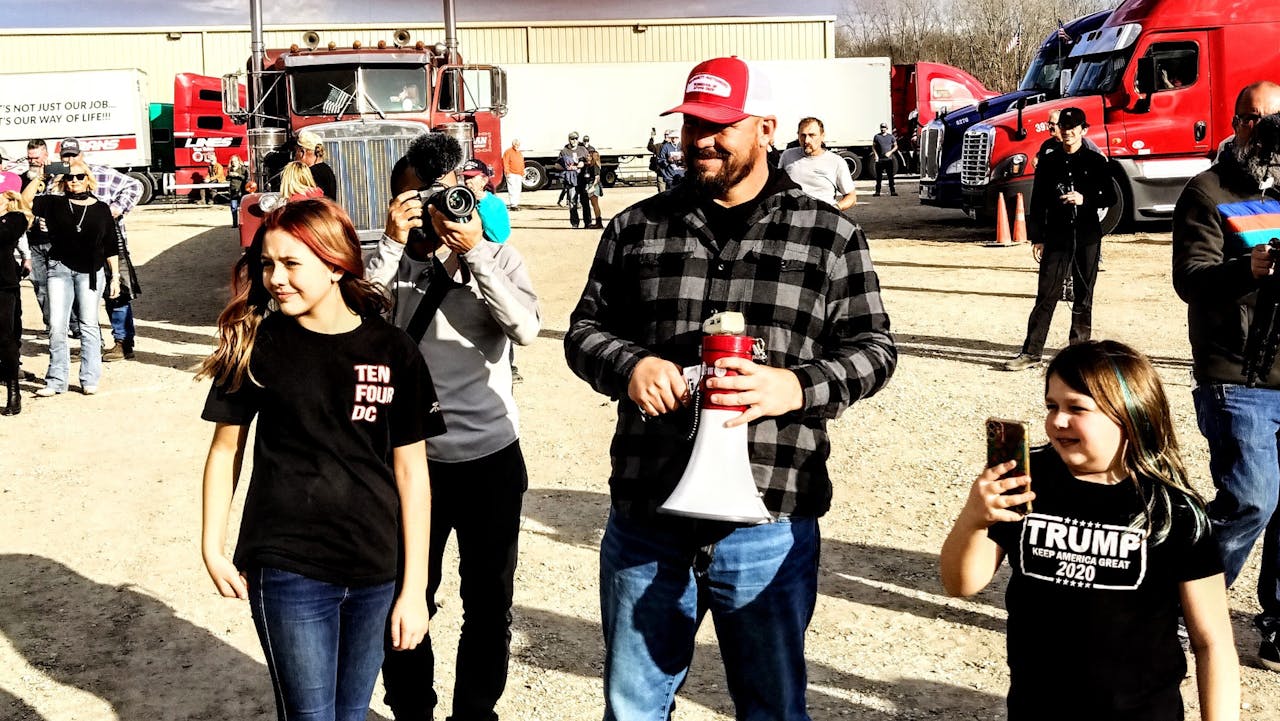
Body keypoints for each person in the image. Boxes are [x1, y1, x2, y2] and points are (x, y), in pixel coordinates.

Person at [563, 56, 897, 720]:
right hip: (649, 516)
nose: (701, 141)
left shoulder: (829, 234)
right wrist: (630, 366)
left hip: (768, 521)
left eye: (720, 125)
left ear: (766, 127)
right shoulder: (635, 229)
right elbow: (583, 331)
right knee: (632, 708)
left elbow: (875, 348)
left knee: (772, 707)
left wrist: (795, 387)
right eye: (691, 125)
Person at [198, 197, 438, 721]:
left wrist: (413, 587)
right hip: (288, 567)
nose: (275, 279)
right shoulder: (256, 343)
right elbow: (225, 451)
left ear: (334, 264)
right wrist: (211, 546)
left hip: (376, 567)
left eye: (290, 264)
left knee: (351, 713)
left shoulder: (393, 349)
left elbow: (412, 473)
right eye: (266, 264)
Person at [940, 340, 1239, 720]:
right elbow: (960, 584)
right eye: (1052, 405)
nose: (1057, 421)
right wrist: (974, 518)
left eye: (1076, 408)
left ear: (1129, 414)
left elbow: (1212, 642)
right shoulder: (1025, 480)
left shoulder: (1171, 509)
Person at [366, 132, 541, 721]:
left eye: (447, 195)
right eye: (421, 199)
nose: (439, 210)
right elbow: (356, 319)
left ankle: (474, 713)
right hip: (410, 459)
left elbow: (525, 329)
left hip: (491, 456)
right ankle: (412, 710)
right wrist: (391, 244)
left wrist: (477, 255)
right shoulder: (389, 259)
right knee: (404, 595)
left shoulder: (496, 254)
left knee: (490, 602)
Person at [1172, 80, 1280, 671]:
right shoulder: (1207, 191)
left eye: (1277, 121)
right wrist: (1250, 267)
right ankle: (1188, 605)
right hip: (1235, 373)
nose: (1266, 133)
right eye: (1257, 120)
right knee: (1251, 498)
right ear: (1236, 123)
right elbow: (1190, 277)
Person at [1004, 107, 1116, 372]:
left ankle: (1078, 352)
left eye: (1074, 128)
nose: (1068, 132)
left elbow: (1109, 197)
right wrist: (1038, 238)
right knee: (1046, 294)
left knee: (1083, 295)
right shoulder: (1050, 161)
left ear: (1083, 130)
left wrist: (1085, 199)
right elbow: (1039, 200)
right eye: (1064, 128)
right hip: (1056, 236)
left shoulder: (1096, 161)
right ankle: (1031, 352)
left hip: (1087, 236)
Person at [26, 159, 120, 396]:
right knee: (57, 325)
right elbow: (24, 202)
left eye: (79, 177)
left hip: (91, 271)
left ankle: (89, 378)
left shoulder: (101, 208)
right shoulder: (54, 203)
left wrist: (116, 277)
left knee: (89, 324)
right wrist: (41, 176)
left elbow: (111, 245)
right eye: (69, 177)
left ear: (88, 179)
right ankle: (56, 380)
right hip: (59, 269)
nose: (74, 181)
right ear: (64, 181)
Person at [58, 137, 144, 364]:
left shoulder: (102, 173)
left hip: (110, 243)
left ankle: (123, 342)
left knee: (118, 293)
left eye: (73, 155)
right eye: (65, 155)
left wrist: (117, 208)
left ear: (81, 154)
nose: (69, 160)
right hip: (76, 250)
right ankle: (92, 344)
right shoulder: (58, 180)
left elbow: (135, 185)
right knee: (81, 298)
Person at [779, 117, 857, 210]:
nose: (807, 140)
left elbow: (851, 197)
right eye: (803, 135)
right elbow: (777, 187)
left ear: (822, 136)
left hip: (821, 219)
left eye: (812, 135)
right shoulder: (787, 156)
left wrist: (834, 209)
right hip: (792, 218)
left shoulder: (836, 162)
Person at [0, 191, 31, 415]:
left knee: (5, 337)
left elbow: (4, 236)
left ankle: (13, 390)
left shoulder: (16, 219)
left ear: (8, 199)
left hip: (3, 285)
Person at [459, 158, 511, 244]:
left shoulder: (496, 203)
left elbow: (499, 237)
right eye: (466, 177)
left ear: (484, 180)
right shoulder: (462, 202)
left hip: (487, 250)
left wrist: (483, 202)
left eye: (472, 177)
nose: (467, 181)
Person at [1033, 109, 1102, 169]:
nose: (1049, 126)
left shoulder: (1084, 142)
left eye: (1052, 124)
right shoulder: (1047, 145)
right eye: (1049, 123)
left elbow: (1102, 158)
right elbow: (1038, 161)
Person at [557, 131, 591, 228]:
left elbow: (589, 161)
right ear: (569, 139)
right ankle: (575, 223)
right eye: (572, 139)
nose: (574, 141)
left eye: (576, 138)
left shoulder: (583, 149)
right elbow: (557, 164)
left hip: (582, 179)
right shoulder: (564, 151)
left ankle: (588, 222)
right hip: (571, 181)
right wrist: (567, 167)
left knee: (585, 201)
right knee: (572, 202)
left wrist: (583, 164)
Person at [295, 130, 337, 200]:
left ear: (302, 152)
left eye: (296, 151)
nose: (295, 156)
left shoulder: (309, 174)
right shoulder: (327, 170)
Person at [871, 122, 898, 197]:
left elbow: (896, 146)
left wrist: (890, 152)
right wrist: (876, 155)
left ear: (887, 128)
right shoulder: (877, 137)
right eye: (882, 127)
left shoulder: (891, 137)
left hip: (888, 160)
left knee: (890, 176)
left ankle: (892, 191)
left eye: (884, 127)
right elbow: (873, 147)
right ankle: (877, 192)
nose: (883, 129)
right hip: (880, 160)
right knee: (879, 177)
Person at [582, 150, 605, 229]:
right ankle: (598, 222)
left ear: (592, 157)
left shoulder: (595, 165)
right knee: (594, 204)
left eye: (588, 156)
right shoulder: (590, 165)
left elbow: (597, 178)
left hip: (593, 186)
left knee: (595, 205)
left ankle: (599, 223)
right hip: (591, 185)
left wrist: (592, 187)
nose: (587, 157)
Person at [502, 140, 525, 211]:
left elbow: (522, 163)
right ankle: (513, 205)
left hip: (519, 174)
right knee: (512, 189)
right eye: (515, 144)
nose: (517, 145)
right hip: (511, 173)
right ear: (513, 144)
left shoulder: (519, 153)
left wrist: (522, 172)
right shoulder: (508, 152)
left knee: (518, 189)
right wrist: (507, 172)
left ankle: (516, 204)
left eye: (518, 144)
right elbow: (505, 162)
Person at [226, 154, 247, 227]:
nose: (233, 163)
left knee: (243, 208)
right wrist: (230, 175)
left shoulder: (243, 169)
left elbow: (246, 178)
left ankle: (244, 223)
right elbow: (227, 178)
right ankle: (235, 224)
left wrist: (238, 175)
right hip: (233, 190)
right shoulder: (229, 169)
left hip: (241, 190)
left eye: (235, 161)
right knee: (233, 207)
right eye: (232, 161)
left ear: (238, 161)